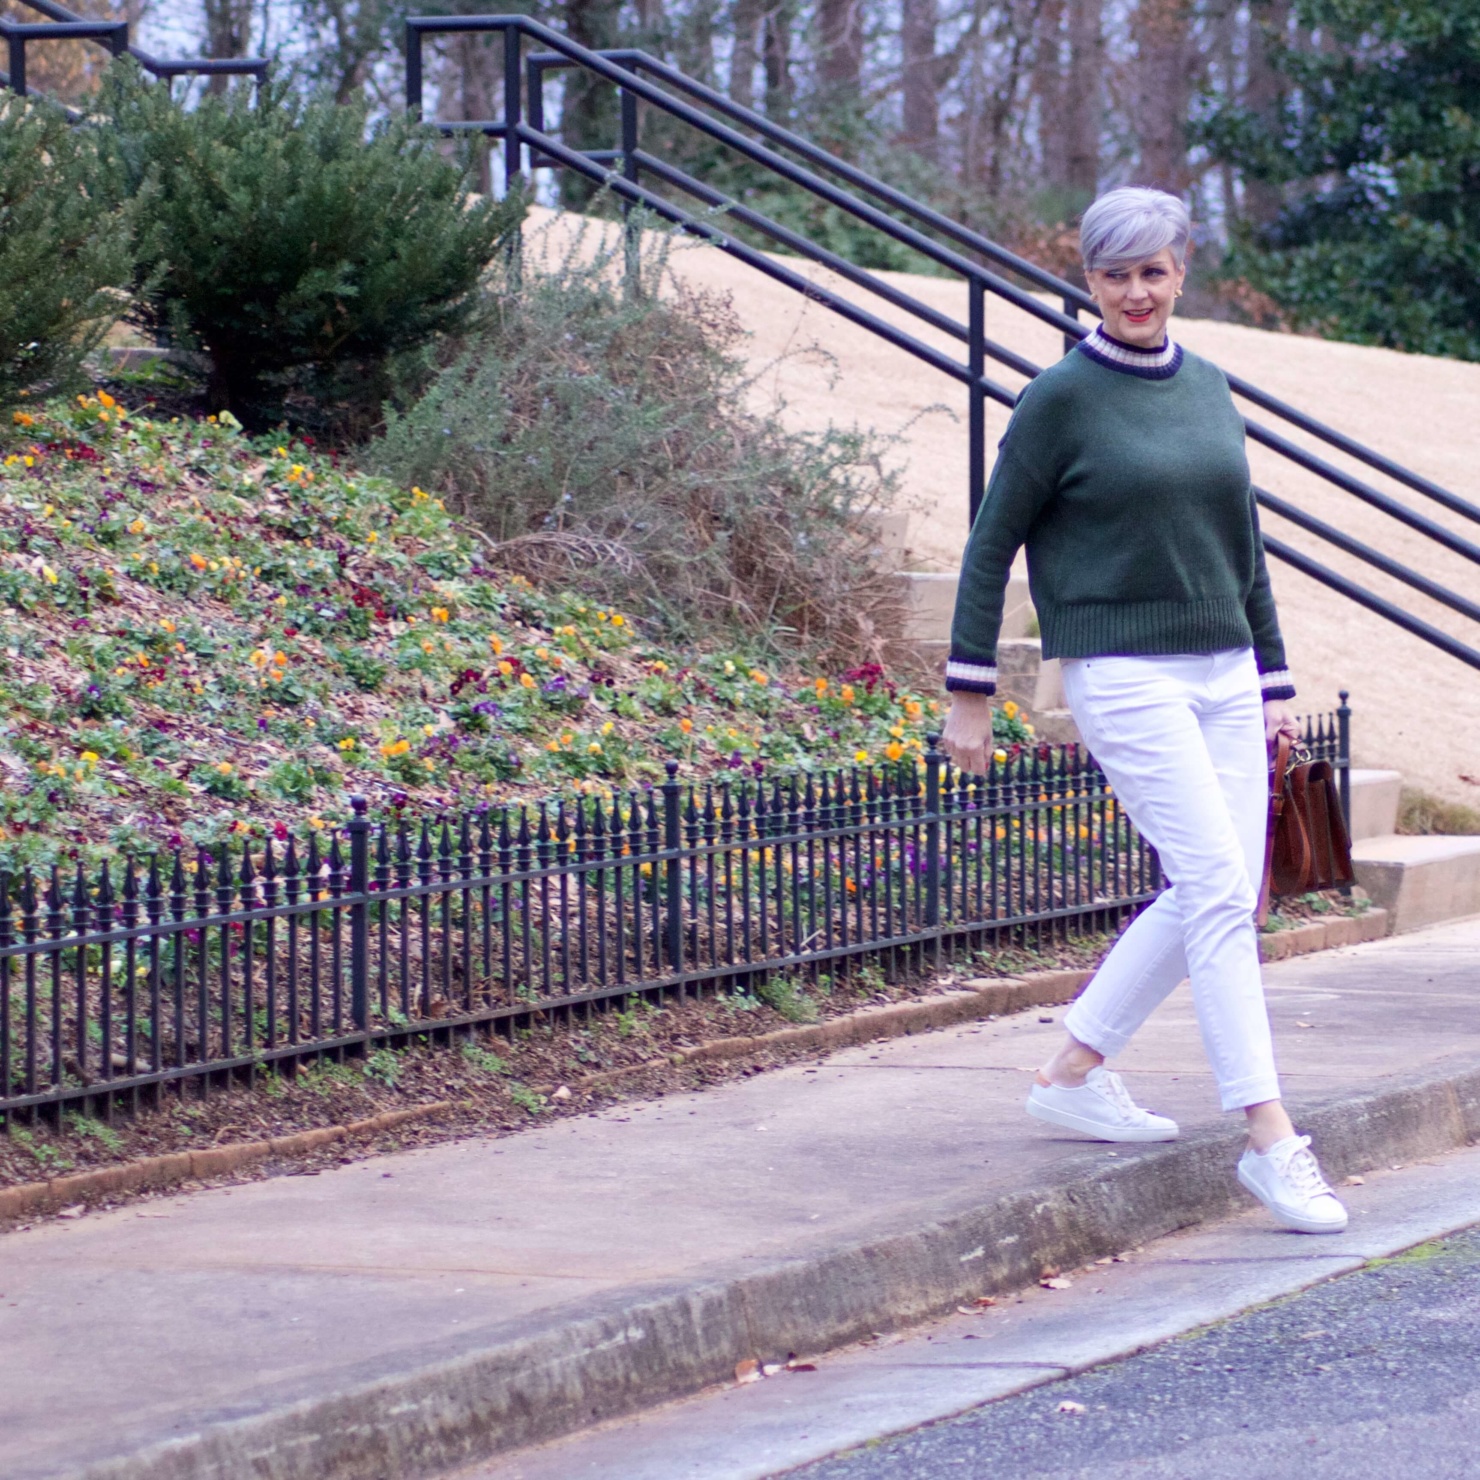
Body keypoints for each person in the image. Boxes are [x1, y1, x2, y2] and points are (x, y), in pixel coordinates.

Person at [940, 185, 1347, 1235]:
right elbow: (991, 547)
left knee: (1224, 889)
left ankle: (1073, 1070)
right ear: (1090, 282)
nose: (1135, 290)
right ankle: (1270, 1140)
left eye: (1152, 270)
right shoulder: (1059, 400)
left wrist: (1269, 683)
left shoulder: (1209, 388)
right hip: (1121, 670)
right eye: (1114, 273)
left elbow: (1241, 544)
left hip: (1221, 669)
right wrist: (969, 694)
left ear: (1180, 273)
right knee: (1214, 889)